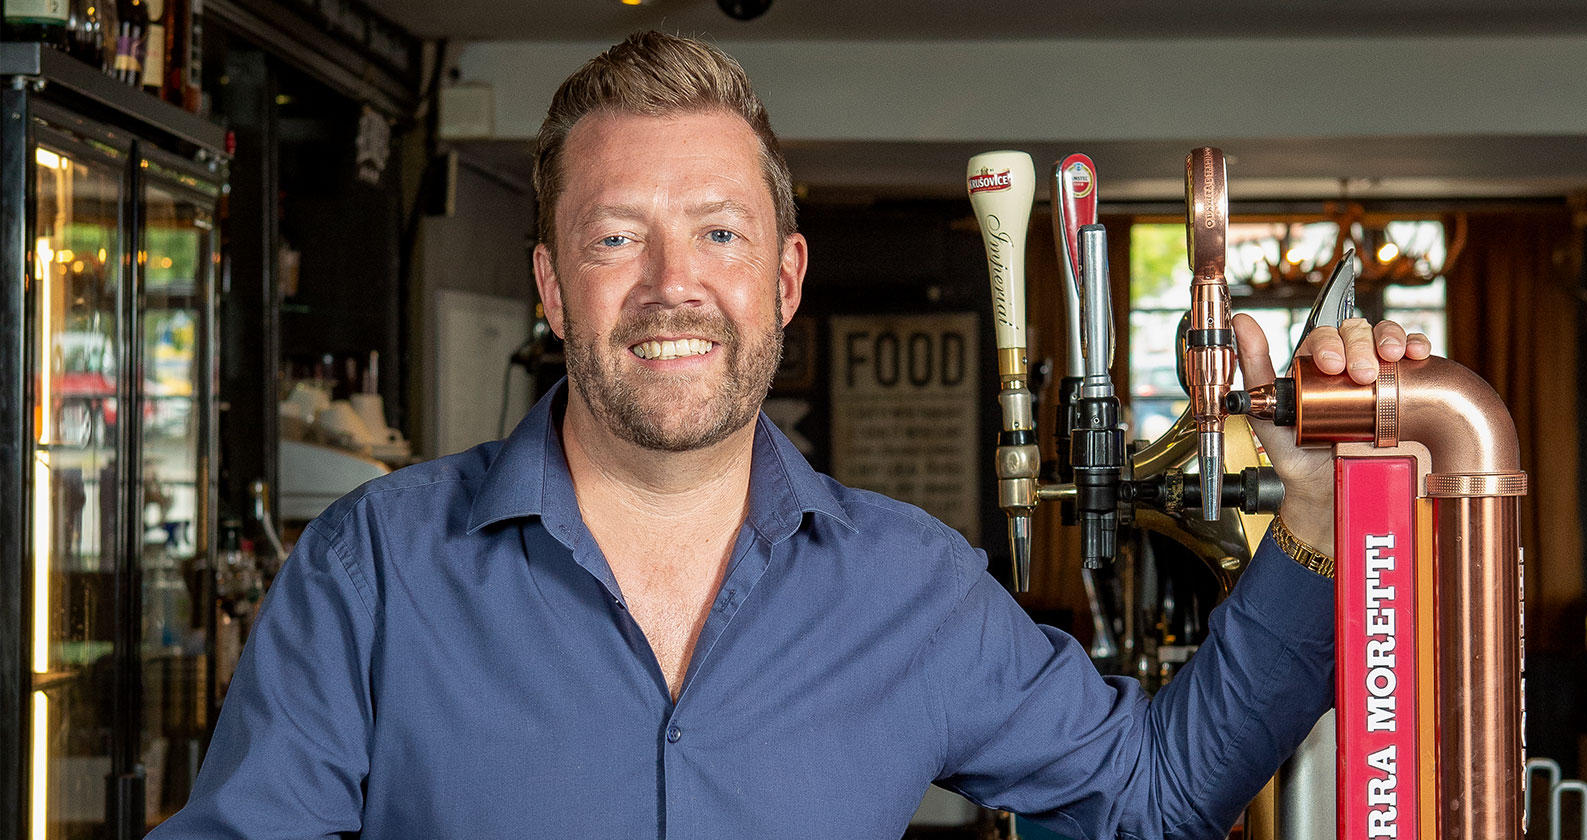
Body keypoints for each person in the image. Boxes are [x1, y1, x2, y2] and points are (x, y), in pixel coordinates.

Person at [149, 31, 1433, 839]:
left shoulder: (912, 589)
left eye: (718, 232)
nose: (671, 284)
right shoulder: (371, 571)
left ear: (784, 278)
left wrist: (1316, 526)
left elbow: (1152, 799)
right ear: (550, 286)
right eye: (615, 237)